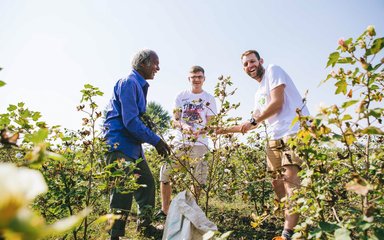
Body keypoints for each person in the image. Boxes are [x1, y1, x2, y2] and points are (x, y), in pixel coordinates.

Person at [219, 50, 309, 240]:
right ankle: (297, 222)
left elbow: (277, 103)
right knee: (277, 183)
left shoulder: (273, 71)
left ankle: (288, 233)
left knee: (290, 180)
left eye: (252, 61)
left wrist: (253, 121)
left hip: (294, 131)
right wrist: (223, 130)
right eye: (245, 64)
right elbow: (252, 123)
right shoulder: (258, 93)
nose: (249, 66)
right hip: (274, 136)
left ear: (260, 61)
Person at [103, 49, 170, 240]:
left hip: (132, 146)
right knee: (122, 188)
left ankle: (145, 227)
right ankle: (114, 235)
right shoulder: (129, 83)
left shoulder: (139, 86)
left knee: (146, 183)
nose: (158, 67)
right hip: (119, 144)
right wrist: (156, 141)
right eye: (155, 63)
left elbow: (137, 120)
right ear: (143, 64)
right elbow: (130, 121)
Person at [156, 65, 217, 219]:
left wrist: (200, 131)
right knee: (165, 173)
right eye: (193, 76)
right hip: (180, 142)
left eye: (199, 77)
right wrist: (183, 126)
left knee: (198, 180)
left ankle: (188, 212)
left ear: (204, 79)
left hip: (200, 145)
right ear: (188, 78)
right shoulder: (181, 96)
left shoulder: (209, 99)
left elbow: (210, 124)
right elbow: (175, 120)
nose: (196, 79)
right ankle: (165, 211)